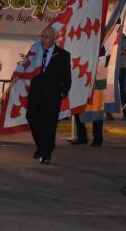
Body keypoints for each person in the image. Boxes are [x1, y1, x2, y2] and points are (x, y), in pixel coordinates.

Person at [26, 27, 72, 164]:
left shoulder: (63, 55)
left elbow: (66, 76)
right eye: (42, 36)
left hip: (52, 95)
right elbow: (26, 67)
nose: (43, 40)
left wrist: (63, 91)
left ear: (53, 39)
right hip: (36, 93)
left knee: (49, 125)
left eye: (46, 37)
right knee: (31, 118)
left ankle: (46, 153)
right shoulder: (36, 52)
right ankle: (41, 145)